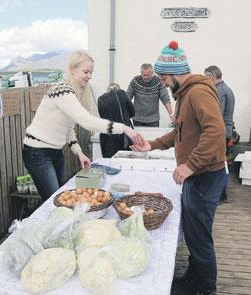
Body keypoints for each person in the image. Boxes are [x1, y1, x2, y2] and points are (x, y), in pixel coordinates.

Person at [131, 41, 226, 295]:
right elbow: (179, 133)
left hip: (205, 176)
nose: (162, 82)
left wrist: (190, 165)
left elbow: (216, 131)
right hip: (198, 176)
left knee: (200, 235)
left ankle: (205, 288)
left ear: (175, 72)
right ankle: (194, 277)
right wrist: (150, 145)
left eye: (163, 77)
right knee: (193, 232)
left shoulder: (197, 93)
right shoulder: (185, 94)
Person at [22, 50, 143, 201]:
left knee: (62, 197)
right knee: (54, 201)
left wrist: (78, 152)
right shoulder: (62, 91)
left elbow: (68, 127)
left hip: (54, 151)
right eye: (86, 71)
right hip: (37, 152)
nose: (89, 76)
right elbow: (87, 121)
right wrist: (124, 128)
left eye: (91, 72)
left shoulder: (72, 93)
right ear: (72, 70)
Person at [204, 65, 235, 204]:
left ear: (212, 76)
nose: (205, 80)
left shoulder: (220, 91)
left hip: (220, 132)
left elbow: (216, 114)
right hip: (224, 131)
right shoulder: (225, 89)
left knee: (219, 165)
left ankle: (221, 195)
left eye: (206, 77)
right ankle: (219, 194)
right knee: (221, 163)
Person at [98, 83, 135, 157]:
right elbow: (132, 112)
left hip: (107, 136)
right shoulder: (122, 93)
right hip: (122, 134)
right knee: (124, 162)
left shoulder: (100, 99)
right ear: (118, 89)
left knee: (109, 162)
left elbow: (102, 116)